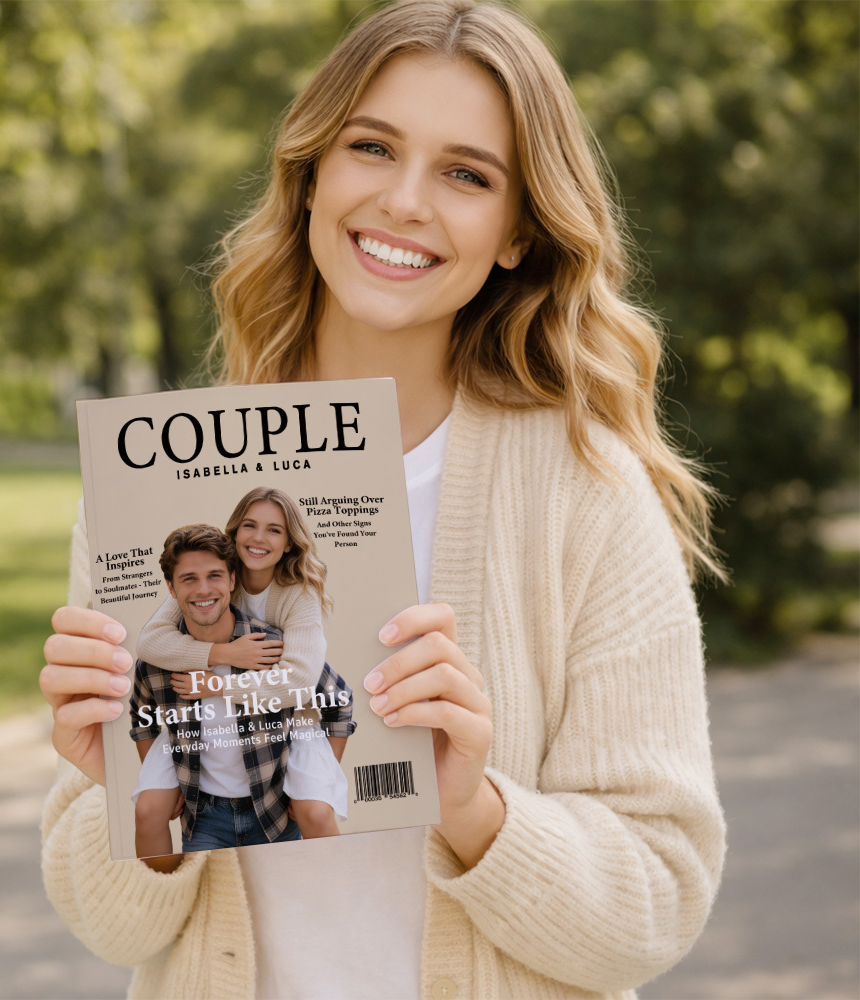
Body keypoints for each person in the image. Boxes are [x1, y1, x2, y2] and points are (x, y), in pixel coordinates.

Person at [39, 2, 726, 997]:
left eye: (466, 174)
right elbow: (111, 928)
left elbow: (657, 903)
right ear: (312, 174)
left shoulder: (588, 495)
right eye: (372, 147)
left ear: (516, 233)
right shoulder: (157, 485)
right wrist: (125, 784)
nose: (405, 201)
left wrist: (475, 808)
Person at [131, 490, 350, 858]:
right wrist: (225, 653)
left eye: (274, 530)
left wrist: (218, 685)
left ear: (289, 543)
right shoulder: (206, 576)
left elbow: (302, 683)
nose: (259, 538)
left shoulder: (298, 595)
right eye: (249, 525)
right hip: (219, 743)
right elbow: (149, 643)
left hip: (285, 716)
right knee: (149, 810)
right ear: (234, 533)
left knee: (315, 811)